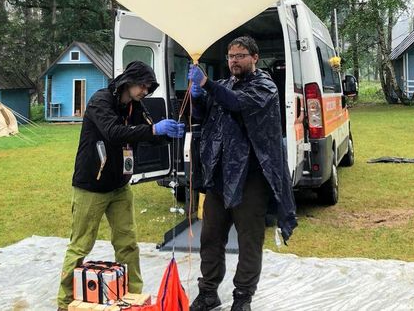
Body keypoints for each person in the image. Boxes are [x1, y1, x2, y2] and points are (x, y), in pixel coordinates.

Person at [57, 61, 185, 311]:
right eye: (143, 86)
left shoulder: (136, 106)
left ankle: (133, 298)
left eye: (149, 88)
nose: (145, 92)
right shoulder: (100, 101)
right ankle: (64, 302)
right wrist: (153, 129)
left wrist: (166, 135)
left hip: (119, 187)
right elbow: (113, 132)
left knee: (127, 243)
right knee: (80, 244)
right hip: (90, 187)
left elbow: (142, 133)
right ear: (128, 81)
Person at [187, 36, 298, 311]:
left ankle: (243, 297)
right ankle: (208, 291)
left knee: (250, 240)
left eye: (240, 55)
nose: (234, 61)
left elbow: (236, 103)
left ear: (254, 58)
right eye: (230, 56)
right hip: (219, 178)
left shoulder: (265, 86)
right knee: (210, 237)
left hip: (251, 179)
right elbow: (205, 116)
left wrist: (205, 84)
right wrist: (198, 99)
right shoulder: (223, 84)